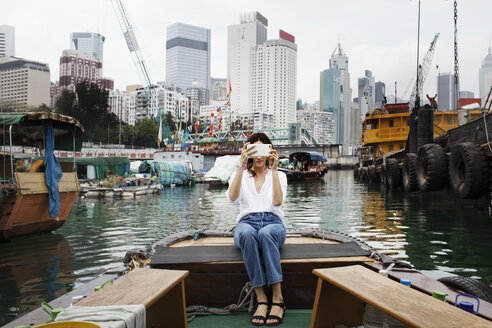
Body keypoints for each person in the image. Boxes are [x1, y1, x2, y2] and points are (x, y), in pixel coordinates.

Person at [226, 133, 288, 326]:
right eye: (254, 151)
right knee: (246, 233)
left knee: (266, 233)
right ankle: (261, 297)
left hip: (273, 223)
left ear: (270, 151)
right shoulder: (241, 175)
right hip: (247, 222)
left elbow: (277, 202)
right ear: (248, 152)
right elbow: (232, 198)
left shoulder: (280, 175)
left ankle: (278, 299)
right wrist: (240, 165)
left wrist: (275, 169)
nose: (259, 157)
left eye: (263, 150)